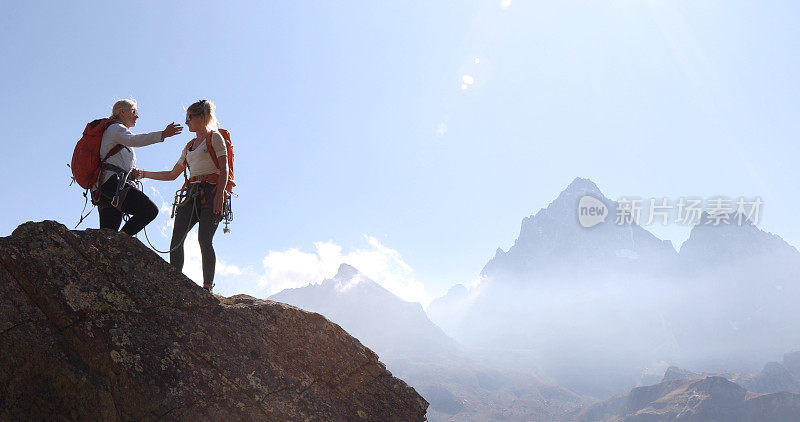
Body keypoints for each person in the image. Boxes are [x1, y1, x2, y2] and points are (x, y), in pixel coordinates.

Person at [140, 100, 228, 292]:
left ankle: (207, 287)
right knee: (177, 238)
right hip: (192, 193)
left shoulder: (215, 138)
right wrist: (143, 173)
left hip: (212, 192)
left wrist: (220, 194)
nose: (186, 121)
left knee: (204, 239)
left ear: (202, 118)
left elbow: (224, 168)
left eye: (189, 117)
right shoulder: (188, 147)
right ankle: (175, 282)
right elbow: (172, 175)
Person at [95, 99, 182, 235]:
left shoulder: (115, 132)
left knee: (108, 234)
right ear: (122, 112)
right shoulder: (115, 128)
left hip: (106, 187)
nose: (137, 116)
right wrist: (162, 134)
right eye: (134, 111)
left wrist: (131, 174)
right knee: (149, 210)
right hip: (112, 185)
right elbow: (134, 140)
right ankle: (122, 241)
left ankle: (115, 245)